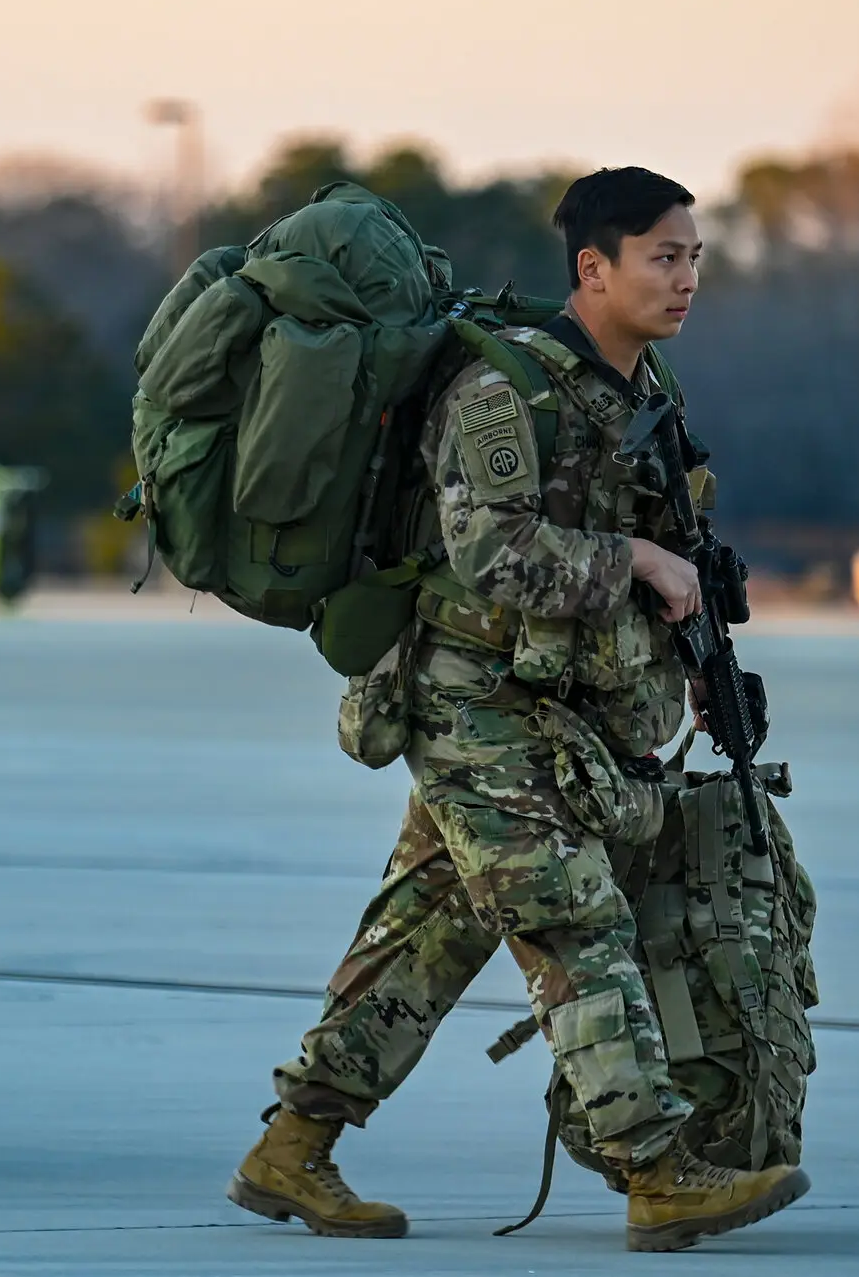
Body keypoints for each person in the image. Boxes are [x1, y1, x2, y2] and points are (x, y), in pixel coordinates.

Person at [227, 168, 810, 1251]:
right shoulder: (504, 392)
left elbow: (664, 536)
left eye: (692, 257)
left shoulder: (642, 391)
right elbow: (490, 555)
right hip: (467, 700)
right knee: (572, 918)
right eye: (661, 257)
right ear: (592, 268)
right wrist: (633, 560)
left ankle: (292, 1150)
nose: (684, 279)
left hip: (553, 710)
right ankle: (655, 1169)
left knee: (427, 935)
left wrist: (687, 650)